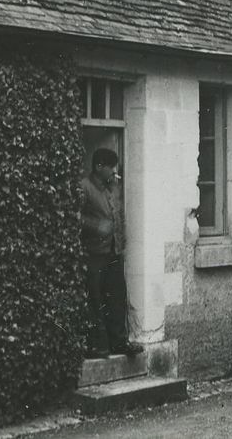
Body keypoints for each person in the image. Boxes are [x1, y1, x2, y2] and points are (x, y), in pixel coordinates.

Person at [81, 148, 143, 358]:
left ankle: (119, 343)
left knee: (117, 299)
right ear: (99, 167)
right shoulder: (84, 187)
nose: (114, 172)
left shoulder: (114, 188)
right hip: (94, 254)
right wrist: (96, 226)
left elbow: (119, 215)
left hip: (113, 253)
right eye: (111, 167)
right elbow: (73, 216)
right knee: (95, 300)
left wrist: (121, 244)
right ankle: (97, 346)